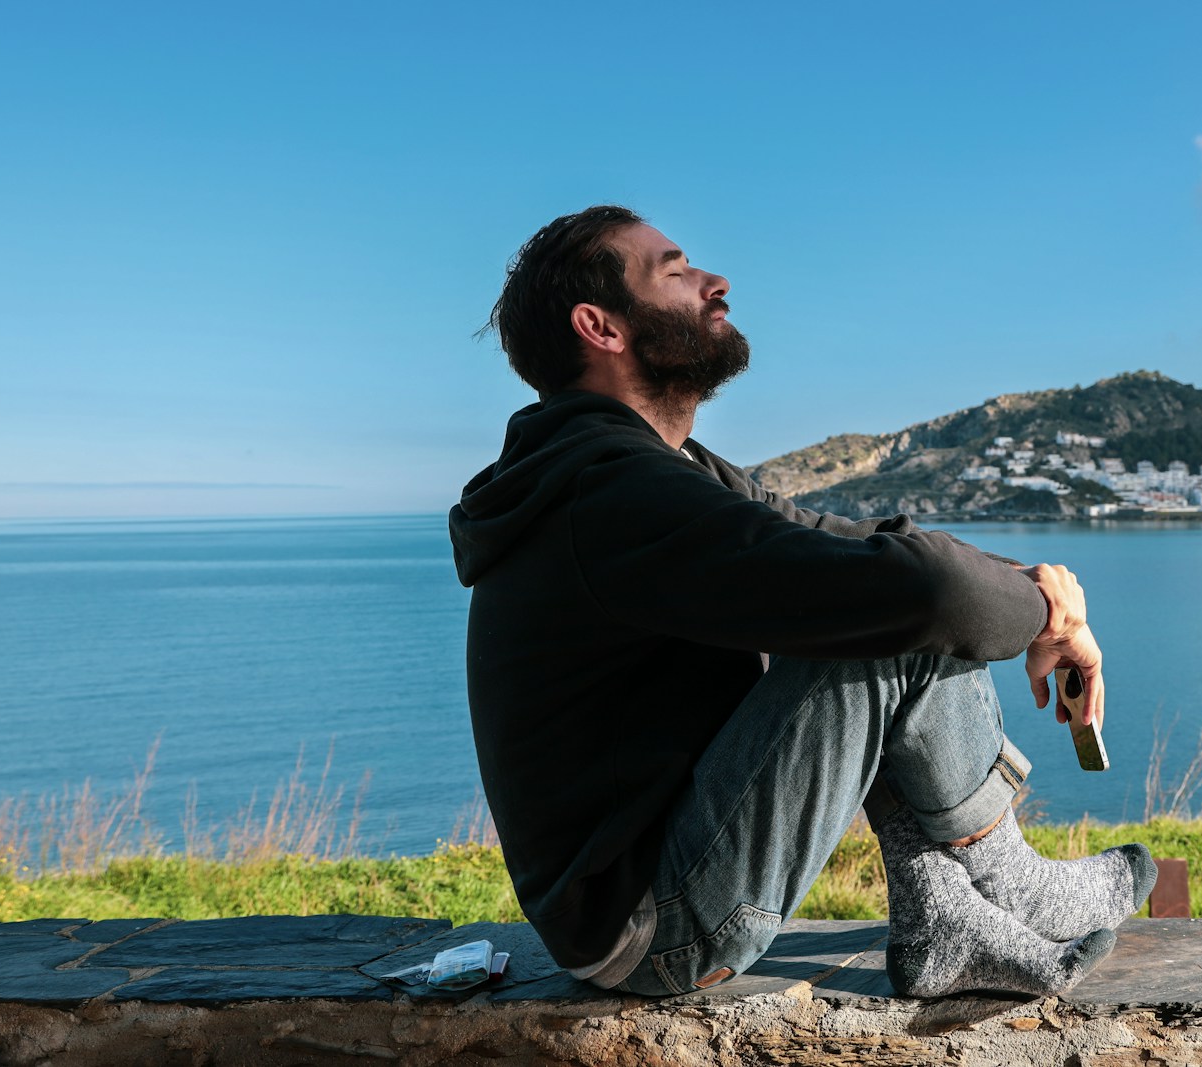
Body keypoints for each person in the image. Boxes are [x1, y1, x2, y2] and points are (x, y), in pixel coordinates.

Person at [449, 205, 1156, 998]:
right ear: (601, 326)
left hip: (647, 890)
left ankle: (946, 912)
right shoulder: (611, 493)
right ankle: (1007, 879)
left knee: (872, 596)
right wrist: (1045, 616)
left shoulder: (656, 471)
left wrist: (1034, 587)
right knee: (896, 618)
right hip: (653, 925)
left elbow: (847, 543)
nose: (716, 283)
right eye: (676, 271)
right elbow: (921, 590)